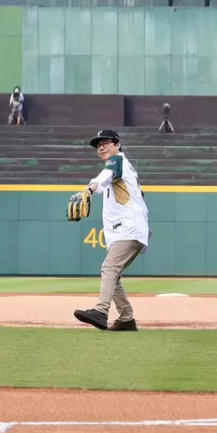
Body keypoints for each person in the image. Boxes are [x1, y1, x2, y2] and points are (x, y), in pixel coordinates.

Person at [73, 130, 150, 332]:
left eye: (106, 142)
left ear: (117, 144)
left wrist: (87, 190)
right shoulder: (123, 168)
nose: (102, 147)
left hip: (128, 229)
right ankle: (126, 319)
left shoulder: (117, 161)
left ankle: (101, 311)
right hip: (131, 229)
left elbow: (104, 177)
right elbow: (134, 194)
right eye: (98, 145)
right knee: (113, 274)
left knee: (109, 269)